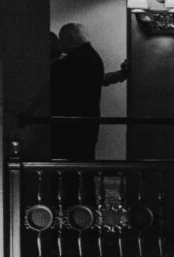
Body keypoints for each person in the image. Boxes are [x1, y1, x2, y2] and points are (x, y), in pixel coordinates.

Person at [48, 23, 129, 161]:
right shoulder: (90, 57)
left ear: (71, 39)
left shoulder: (71, 62)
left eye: (61, 39)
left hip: (71, 125)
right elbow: (99, 80)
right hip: (86, 121)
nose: (59, 44)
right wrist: (121, 74)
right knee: (84, 164)